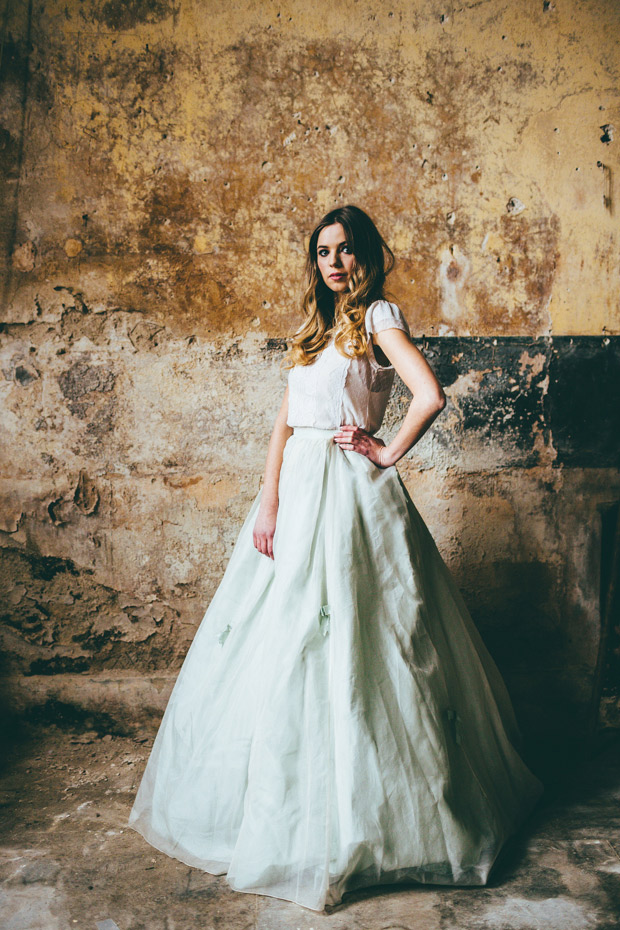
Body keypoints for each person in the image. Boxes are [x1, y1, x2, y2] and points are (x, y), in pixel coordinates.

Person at [127, 204, 544, 912]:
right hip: (297, 490)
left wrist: (384, 451)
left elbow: (430, 396)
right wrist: (267, 503)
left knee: (359, 641)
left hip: (350, 494)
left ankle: (372, 819)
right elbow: (284, 425)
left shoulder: (380, 316)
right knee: (280, 639)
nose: (334, 261)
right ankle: (278, 809)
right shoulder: (312, 329)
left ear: (367, 257)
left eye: (347, 250)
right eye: (324, 251)